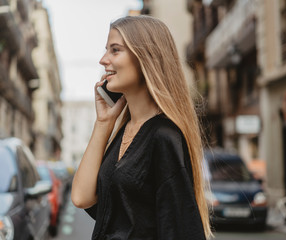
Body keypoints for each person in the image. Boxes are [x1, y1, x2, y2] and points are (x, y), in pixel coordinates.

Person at [71, 15, 212, 240]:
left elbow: (180, 229)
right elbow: (81, 197)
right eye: (106, 50)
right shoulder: (124, 130)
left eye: (115, 50)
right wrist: (104, 122)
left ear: (145, 57)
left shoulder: (164, 137)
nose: (103, 60)